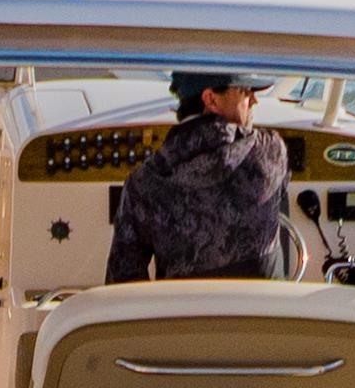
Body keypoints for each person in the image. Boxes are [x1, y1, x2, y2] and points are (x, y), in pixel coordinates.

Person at [106, 70, 291, 283]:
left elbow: (122, 279)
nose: (254, 100)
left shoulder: (144, 181)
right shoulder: (271, 152)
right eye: (245, 91)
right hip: (263, 305)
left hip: (184, 305)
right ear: (211, 99)